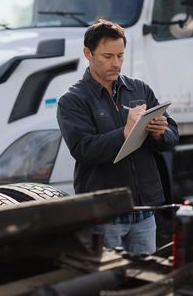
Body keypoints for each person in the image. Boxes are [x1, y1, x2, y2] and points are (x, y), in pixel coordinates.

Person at [57, 19, 179, 255]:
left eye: (120, 56)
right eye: (107, 56)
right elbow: (83, 150)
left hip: (144, 210)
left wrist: (161, 132)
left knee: (145, 283)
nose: (116, 63)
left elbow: (172, 137)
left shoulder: (140, 89)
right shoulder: (72, 100)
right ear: (87, 53)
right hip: (104, 215)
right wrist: (125, 132)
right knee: (108, 285)